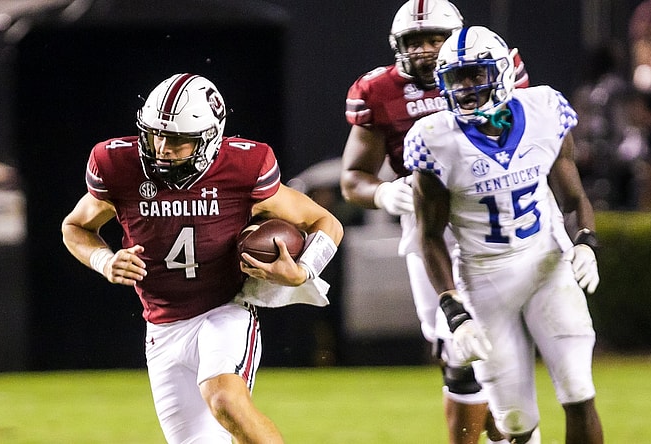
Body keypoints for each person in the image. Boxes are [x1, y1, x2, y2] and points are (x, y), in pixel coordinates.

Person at [61, 73, 343, 444]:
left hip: (224, 307)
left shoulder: (243, 167)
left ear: (210, 138)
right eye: (155, 134)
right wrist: (104, 261)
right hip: (162, 327)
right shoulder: (118, 164)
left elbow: (325, 221)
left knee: (226, 399)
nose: (162, 148)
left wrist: (304, 271)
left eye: (177, 139)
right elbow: (75, 227)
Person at [403, 26, 604, 444]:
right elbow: (429, 236)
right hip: (485, 278)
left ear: (503, 71)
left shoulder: (546, 110)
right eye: (456, 78)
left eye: (476, 74)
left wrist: (585, 239)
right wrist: (453, 309)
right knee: (514, 420)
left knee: (578, 390)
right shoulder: (434, 140)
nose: (466, 87)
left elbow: (573, 197)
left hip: (547, 264)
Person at [340, 1, 530, 443]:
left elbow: (529, 135)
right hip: (431, 228)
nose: (425, 50)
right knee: (458, 351)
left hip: (494, 220)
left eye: (435, 39)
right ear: (397, 46)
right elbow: (353, 178)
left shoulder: (494, 69)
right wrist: (385, 192)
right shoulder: (379, 91)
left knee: (490, 353)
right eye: (415, 41)